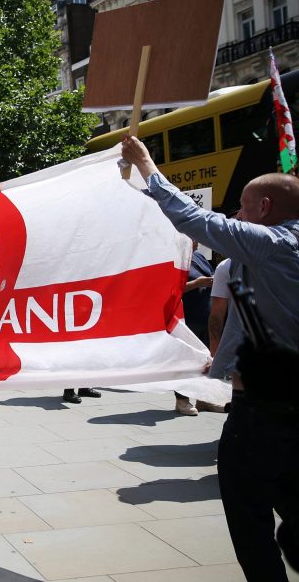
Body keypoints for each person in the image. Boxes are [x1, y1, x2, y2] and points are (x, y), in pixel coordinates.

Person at [122, 134, 299, 582]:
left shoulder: (271, 244)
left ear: (263, 210)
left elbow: (193, 219)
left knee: (249, 515)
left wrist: (146, 164)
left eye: (241, 205)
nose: (235, 215)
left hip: (262, 414)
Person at [175, 242, 214, 416]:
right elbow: (170, 289)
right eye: (192, 238)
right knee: (185, 361)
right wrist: (197, 283)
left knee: (205, 361)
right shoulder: (176, 260)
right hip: (187, 317)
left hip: (205, 314)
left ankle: (204, 399)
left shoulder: (199, 257)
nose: (196, 241)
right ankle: (182, 400)